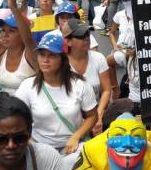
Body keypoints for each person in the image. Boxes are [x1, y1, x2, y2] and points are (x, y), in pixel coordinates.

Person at [14, 31, 97, 162]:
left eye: (51, 55)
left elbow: (92, 116)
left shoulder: (80, 85)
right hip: (39, 148)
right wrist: (28, 140)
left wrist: (76, 136)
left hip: (72, 148)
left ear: (63, 59)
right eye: (41, 54)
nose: (45, 60)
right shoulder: (28, 86)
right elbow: (14, 116)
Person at [64, 18, 111, 135]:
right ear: (68, 41)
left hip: (98, 112)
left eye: (87, 34)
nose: (86, 38)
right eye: (81, 36)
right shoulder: (61, 64)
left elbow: (106, 90)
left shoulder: (99, 58)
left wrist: (98, 115)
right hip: (72, 118)